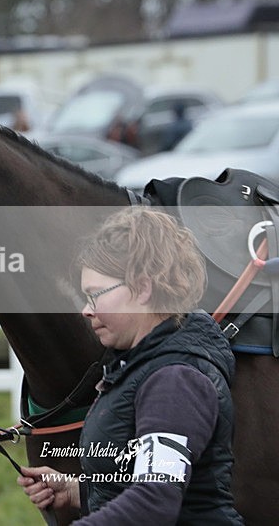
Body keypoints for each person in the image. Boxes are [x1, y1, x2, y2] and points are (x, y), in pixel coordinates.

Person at [17, 208, 243, 524]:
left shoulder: (175, 381)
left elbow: (155, 503)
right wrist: (77, 492)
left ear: (143, 288)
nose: (86, 311)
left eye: (95, 295)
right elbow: (149, 483)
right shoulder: (144, 365)